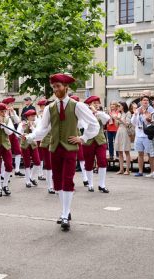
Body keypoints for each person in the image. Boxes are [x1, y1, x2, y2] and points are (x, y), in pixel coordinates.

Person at [24, 73, 99, 231]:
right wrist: (30, 136)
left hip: (70, 148)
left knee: (67, 180)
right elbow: (43, 129)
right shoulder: (50, 108)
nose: (55, 89)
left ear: (66, 87)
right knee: (57, 182)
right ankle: (65, 210)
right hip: (54, 148)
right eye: (53, 87)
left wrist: (83, 138)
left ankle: (65, 214)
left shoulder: (77, 105)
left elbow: (94, 124)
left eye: (58, 86)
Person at [82, 96, 110, 193]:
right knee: (89, 163)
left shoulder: (100, 114)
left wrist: (96, 112)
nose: (97, 105)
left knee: (102, 161)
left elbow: (107, 119)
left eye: (98, 103)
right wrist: (90, 113)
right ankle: (90, 184)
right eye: (95, 103)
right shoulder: (85, 114)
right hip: (88, 140)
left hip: (100, 140)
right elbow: (83, 125)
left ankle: (102, 185)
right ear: (89, 105)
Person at [131, 95, 154, 177]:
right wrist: (135, 114)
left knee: (149, 153)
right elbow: (133, 122)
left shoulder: (151, 110)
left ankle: (152, 171)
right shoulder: (137, 110)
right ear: (141, 101)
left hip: (147, 134)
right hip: (138, 134)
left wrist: (144, 114)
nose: (145, 101)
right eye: (144, 100)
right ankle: (140, 171)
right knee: (140, 153)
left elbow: (150, 123)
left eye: (147, 100)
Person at [17, 110, 41, 188]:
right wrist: (23, 129)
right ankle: (27, 181)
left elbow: (37, 134)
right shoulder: (22, 124)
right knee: (27, 163)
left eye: (34, 116)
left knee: (37, 162)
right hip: (25, 145)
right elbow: (18, 134)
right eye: (32, 116)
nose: (34, 117)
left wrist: (32, 127)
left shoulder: (36, 123)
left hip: (33, 145)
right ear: (28, 117)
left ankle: (32, 177)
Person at [2, 97, 24, 177]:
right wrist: (7, 113)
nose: (12, 105)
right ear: (6, 104)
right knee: (7, 152)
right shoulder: (3, 112)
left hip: (13, 133)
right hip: (6, 134)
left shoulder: (13, 111)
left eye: (12, 104)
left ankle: (17, 170)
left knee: (18, 151)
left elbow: (18, 121)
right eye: (11, 104)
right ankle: (7, 170)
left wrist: (13, 113)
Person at [114, 102, 132, 175]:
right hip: (119, 131)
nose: (118, 107)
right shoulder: (120, 113)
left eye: (119, 106)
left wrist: (119, 119)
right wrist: (115, 119)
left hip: (125, 131)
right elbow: (116, 125)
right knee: (119, 151)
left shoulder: (128, 113)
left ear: (123, 106)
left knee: (126, 150)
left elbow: (127, 124)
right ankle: (121, 169)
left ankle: (127, 170)